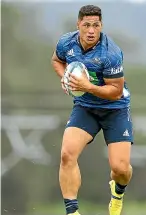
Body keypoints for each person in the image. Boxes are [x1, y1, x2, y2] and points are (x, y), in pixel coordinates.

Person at [51, 4, 133, 215]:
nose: (91, 30)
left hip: (115, 110)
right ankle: (72, 211)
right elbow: (56, 60)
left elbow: (115, 91)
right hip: (85, 108)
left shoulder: (111, 53)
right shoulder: (66, 43)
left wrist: (87, 87)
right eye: (86, 25)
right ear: (78, 24)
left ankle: (117, 192)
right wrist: (65, 79)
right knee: (67, 155)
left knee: (121, 170)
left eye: (95, 25)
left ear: (101, 26)